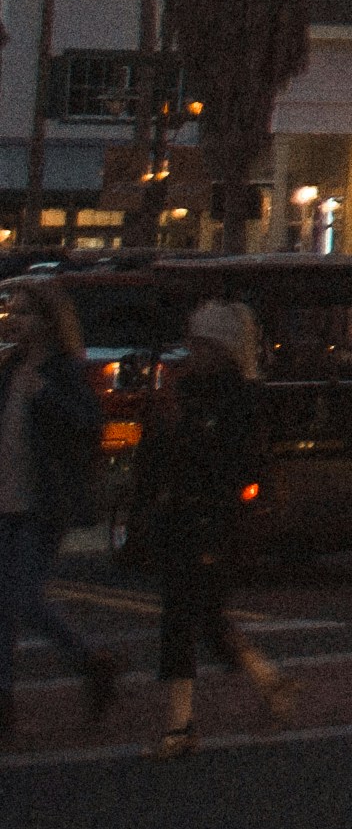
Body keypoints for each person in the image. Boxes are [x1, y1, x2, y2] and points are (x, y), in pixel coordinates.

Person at [137, 300, 295, 751]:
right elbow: (160, 452)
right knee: (200, 617)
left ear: (224, 349)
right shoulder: (187, 391)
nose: (191, 350)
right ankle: (267, 679)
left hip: (214, 517)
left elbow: (240, 461)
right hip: (185, 513)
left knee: (184, 615)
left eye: (202, 343)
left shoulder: (239, 399)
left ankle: (180, 724)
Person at [1, 279, 120, 735]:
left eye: (26, 311)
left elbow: (88, 424)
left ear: (47, 321)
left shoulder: (60, 371)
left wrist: (44, 396)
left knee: (25, 597)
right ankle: (4, 697)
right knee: (3, 604)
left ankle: (90, 659)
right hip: (6, 497)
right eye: (14, 310)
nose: (15, 318)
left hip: (41, 501)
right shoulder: (11, 368)